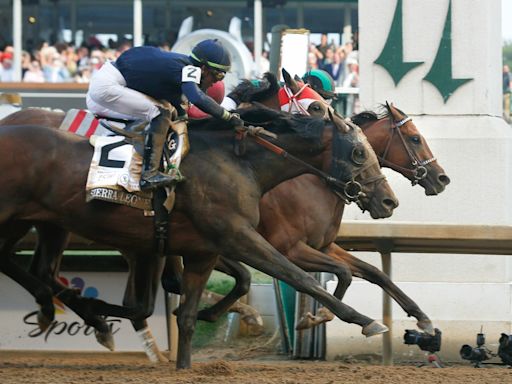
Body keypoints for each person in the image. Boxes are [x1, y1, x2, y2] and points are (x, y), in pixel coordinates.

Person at [86, 39, 243, 191]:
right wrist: (227, 116)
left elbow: (182, 113)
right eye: (218, 75)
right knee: (160, 112)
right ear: (204, 68)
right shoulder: (190, 69)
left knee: (166, 112)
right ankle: (149, 175)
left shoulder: (179, 65)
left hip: (108, 83)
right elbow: (197, 98)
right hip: (107, 86)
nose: (216, 82)